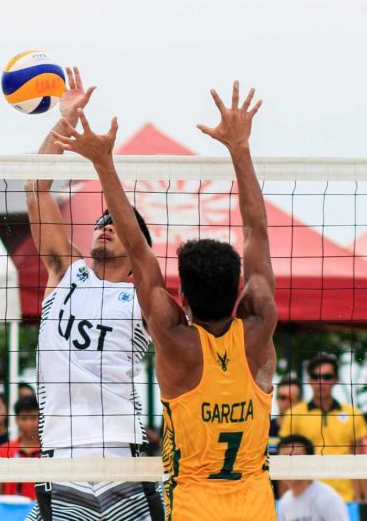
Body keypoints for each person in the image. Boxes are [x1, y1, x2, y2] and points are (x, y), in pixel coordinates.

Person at [53, 81, 278, 520]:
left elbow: (139, 251)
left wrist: (102, 163)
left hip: (194, 506)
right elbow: (257, 233)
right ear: (240, 292)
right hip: (256, 507)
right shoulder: (259, 327)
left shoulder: (177, 342)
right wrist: (240, 148)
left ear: (182, 300)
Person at [24, 66, 162, 521]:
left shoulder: (142, 296)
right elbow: (34, 186)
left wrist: (108, 169)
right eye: (100, 221)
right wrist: (64, 119)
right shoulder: (66, 272)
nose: (104, 226)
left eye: (115, 225)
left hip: (122, 453)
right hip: (60, 453)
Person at [279, 352, 367, 502]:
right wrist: (283, 500)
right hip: (305, 496)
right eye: (316, 377)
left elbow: (360, 463)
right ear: (309, 380)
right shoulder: (293, 414)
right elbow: (285, 462)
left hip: (345, 497)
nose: (321, 382)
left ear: (336, 380)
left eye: (327, 377)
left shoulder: (353, 414)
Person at [277, 435, 349, 521]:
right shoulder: (284, 503)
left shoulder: (327, 498)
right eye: (283, 459)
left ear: (309, 461)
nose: (288, 465)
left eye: (295, 458)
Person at [0, 395, 40, 500]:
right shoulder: (5, 449)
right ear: (16, 420)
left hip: (40, 511)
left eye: (33, 418)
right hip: (10, 509)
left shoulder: (48, 450)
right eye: (24, 418)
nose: (29, 423)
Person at [269, 376, 302, 454]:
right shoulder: (264, 428)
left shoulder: (307, 429)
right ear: (276, 399)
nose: (287, 402)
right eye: (283, 397)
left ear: (300, 400)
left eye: (292, 398)